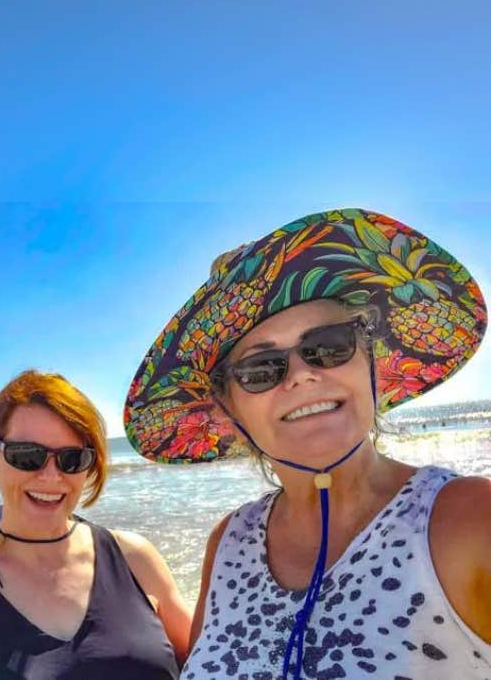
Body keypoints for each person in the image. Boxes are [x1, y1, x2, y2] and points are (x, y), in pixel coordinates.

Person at [123, 208, 491, 679]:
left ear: (370, 360)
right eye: (261, 369)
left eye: (330, 344)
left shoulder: (469, 518)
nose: (302, 374)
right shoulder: (230, 542)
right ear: (227, 411)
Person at [0, 370, 192, 679]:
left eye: (71, 459)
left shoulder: (133, 557)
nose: (50, 476)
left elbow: (210, 659)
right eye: (27, 456)